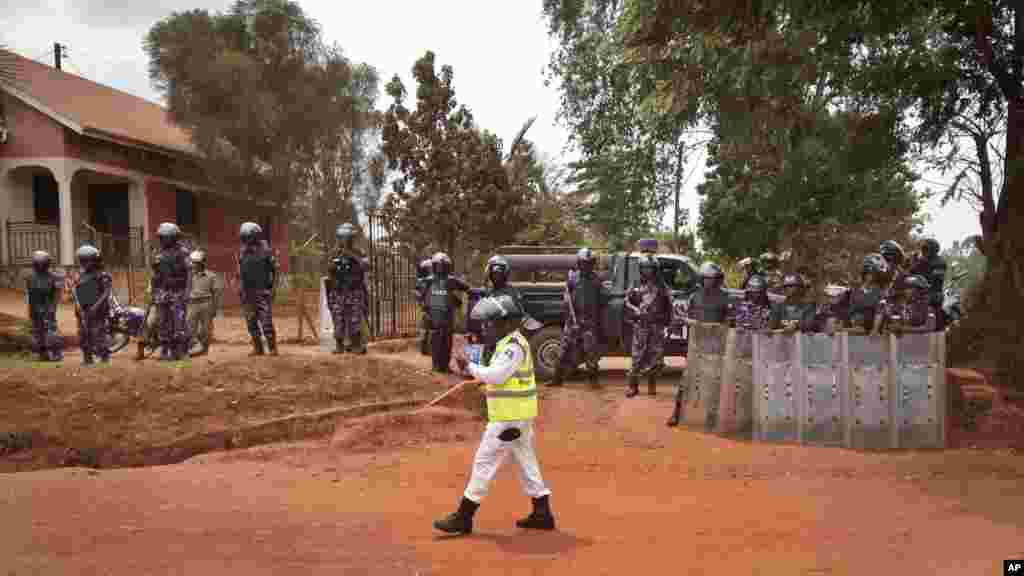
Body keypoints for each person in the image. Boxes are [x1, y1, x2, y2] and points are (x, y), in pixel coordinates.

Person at [434, 293, 554, 535]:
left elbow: (498, 375)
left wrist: (471, 368)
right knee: (526, 461)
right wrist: (482, 377)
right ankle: (542, 512)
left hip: (508, 419)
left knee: (484, 462)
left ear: (506, 323)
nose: (486, 328)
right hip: (517, 416)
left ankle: (464, 516)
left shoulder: (512, 346)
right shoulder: (510, 342)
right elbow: (502, 377)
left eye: (490, 323)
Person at [667, 262, 733, 427]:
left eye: (712, 278)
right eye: (706, 278)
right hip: (696, 345)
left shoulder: (725, 297)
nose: (708, 281)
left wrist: (723, 325)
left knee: (714, 382)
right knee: (686, 380)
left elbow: (729, 321)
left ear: (718, 279)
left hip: (716, 346)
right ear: (701, 279)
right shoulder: (694, 297)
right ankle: (676, 413)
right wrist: (680, 323)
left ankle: (712, 416)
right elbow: (686, 317)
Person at [550, 247, 609, 389]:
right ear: (579, 263)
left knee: (591, 352)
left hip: (589, 322)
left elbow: (603, 300)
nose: (586, 266)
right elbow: (567, 296)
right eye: (583, 263)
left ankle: (593, 381)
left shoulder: (597, 280)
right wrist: (567, 303)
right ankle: (557, 379)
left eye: (588, 263)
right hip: (572, 321)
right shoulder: (573, 278)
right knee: (564, 351)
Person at [625, 254, 672, 397]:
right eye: (645, 268)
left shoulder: (661, 286)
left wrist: (668, 323)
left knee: (655, 358)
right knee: (637, 357)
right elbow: (627, 302)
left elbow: (669, 306)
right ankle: (633, 386)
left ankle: (652, 385)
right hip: (641, 326)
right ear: (641, 269)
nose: (648, 271)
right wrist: (635, 310)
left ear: (655, 269)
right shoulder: (636, 284)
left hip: (656, 327)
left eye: (650, 268)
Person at [327, 223, 369, 354]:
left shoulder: (359, 252)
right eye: (342, 238)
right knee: (338, 318)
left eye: (348, 238)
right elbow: (329, 270)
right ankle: (339, 345)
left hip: (354, 291)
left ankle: (356, 344)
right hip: (339, 291)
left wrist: (351, 255)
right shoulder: (334, 253)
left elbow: (366, 266)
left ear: (352, 239)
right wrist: (335, 263)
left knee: (355, 319)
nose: (345, 241)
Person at [238, 222, 279, 356]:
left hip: (262, 291)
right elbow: (240, 270)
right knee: (251, 322)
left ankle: (272, 348)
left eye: (246, 237)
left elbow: (275, 271)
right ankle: (258, 348)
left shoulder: (266, 250)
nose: (244, 240)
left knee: (266, 321)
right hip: (247, 292)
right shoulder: (243, 251)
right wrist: (240, 287)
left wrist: (273, 288)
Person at [425, 252, 470, 372]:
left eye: (442, 266)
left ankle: (442, 365)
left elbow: (465, 287)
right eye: (438, 266)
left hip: (443, 315)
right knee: (439, 340)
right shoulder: (431, 280)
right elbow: (423, 295)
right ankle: (438, 365)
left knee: (444, 340)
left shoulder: (449, 280)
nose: (440, 269)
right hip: (438, 316)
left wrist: (456, 299)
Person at [480, 255, 526, 364]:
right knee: (486, 360)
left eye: (499, 274)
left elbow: (519, 312)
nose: (497, 277)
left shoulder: (512, 292)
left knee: (501, 362)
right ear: (490, 274)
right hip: (490, 332)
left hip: (504, 332)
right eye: (494, 274)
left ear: (505, 274)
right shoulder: (488, 291)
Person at [72, 244, 113, 365]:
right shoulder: (80, 275)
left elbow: (106, 292)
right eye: (81, 260)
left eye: (85, 260)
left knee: (98, 334)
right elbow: (76, 292)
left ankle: (104, 357)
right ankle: (87, 358)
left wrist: (95, 307)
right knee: (83, 334)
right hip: (83, 310)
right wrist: (78, 306)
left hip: (98, 311)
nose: (83, 263)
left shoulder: (102, 275)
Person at [25, 250, 64, 361]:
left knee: (51, 332)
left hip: (48, 308)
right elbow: (29, 294)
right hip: (35, 308)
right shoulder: (30, 278)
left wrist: (52, 308)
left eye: (41, 264)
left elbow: (57, 295)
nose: (39, 266)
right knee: (37, 332)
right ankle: (42, 354)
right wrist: (30, 309)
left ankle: (56, 353)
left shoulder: (53, 277)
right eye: (37, 264)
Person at [187, 250, 221, 356]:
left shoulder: (211, 276)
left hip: (206, 302)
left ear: (202, 263)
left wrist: (214, 308)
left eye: (196, 263)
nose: (193, 265)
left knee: (206, 328)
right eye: (193, 262)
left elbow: (216, 292)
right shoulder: (188, 276)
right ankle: (193, 347)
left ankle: (204, 349)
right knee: (190, 327)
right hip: (192, 303)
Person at [909, 237, 947, 331]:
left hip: (931, 292)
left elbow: (913, 270)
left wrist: (915, 260)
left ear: (932, 250)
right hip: (930, 292)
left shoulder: (934, 262)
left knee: (933, 306)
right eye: (923, 249)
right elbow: (913, 271)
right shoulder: (934, 261)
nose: (924, 251)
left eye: (925, 249)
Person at [845, 253, 888, 334]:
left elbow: (880, 311)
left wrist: (875, 330)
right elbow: (851, 312)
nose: (870, 276)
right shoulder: (855, 291)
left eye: (873, 274)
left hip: (874, 331)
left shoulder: (880, 292)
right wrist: (854, 321)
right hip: (857, 330)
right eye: (869, 273)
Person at [414, 257, 433, 356]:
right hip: (429, 306)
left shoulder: (422, 281)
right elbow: (418, 293)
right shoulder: (425, 281)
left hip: (428, 306)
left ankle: (425, 347)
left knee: (425, 327)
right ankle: (425, 347)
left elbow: (417, 293)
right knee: (426, 327)